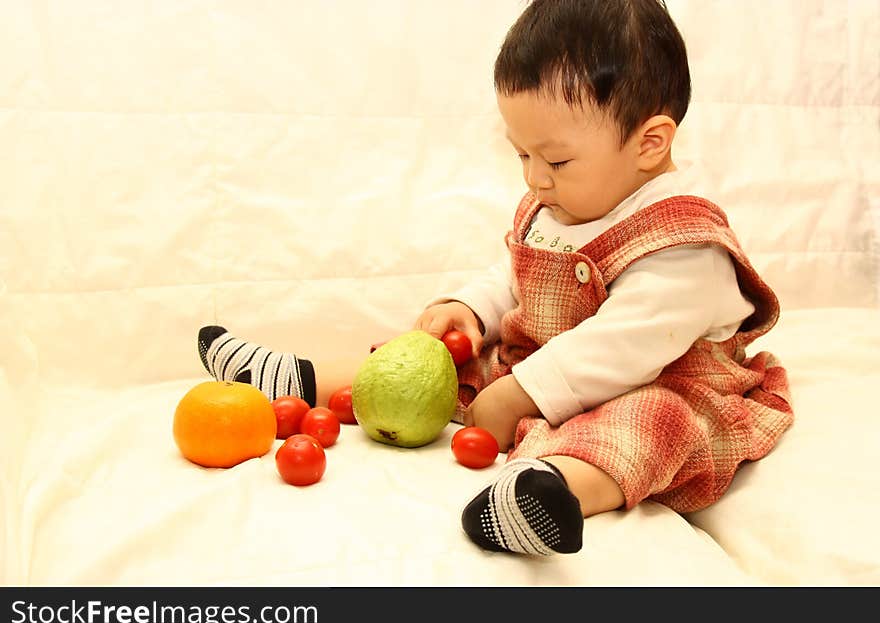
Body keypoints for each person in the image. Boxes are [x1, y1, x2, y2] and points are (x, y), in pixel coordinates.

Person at [197, 0, 794, 556]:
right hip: (538, 367)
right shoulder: (562, 206)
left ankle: (554, 494)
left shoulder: (685, 242)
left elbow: (628, 345)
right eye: (522, 155)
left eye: (555, 160)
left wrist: (524, 392)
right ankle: (296, 380)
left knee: (652, 426)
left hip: (659, 385)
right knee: (426, 361)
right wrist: (472, 309)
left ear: (649, 143)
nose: (535, 179)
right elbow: (517, 272)